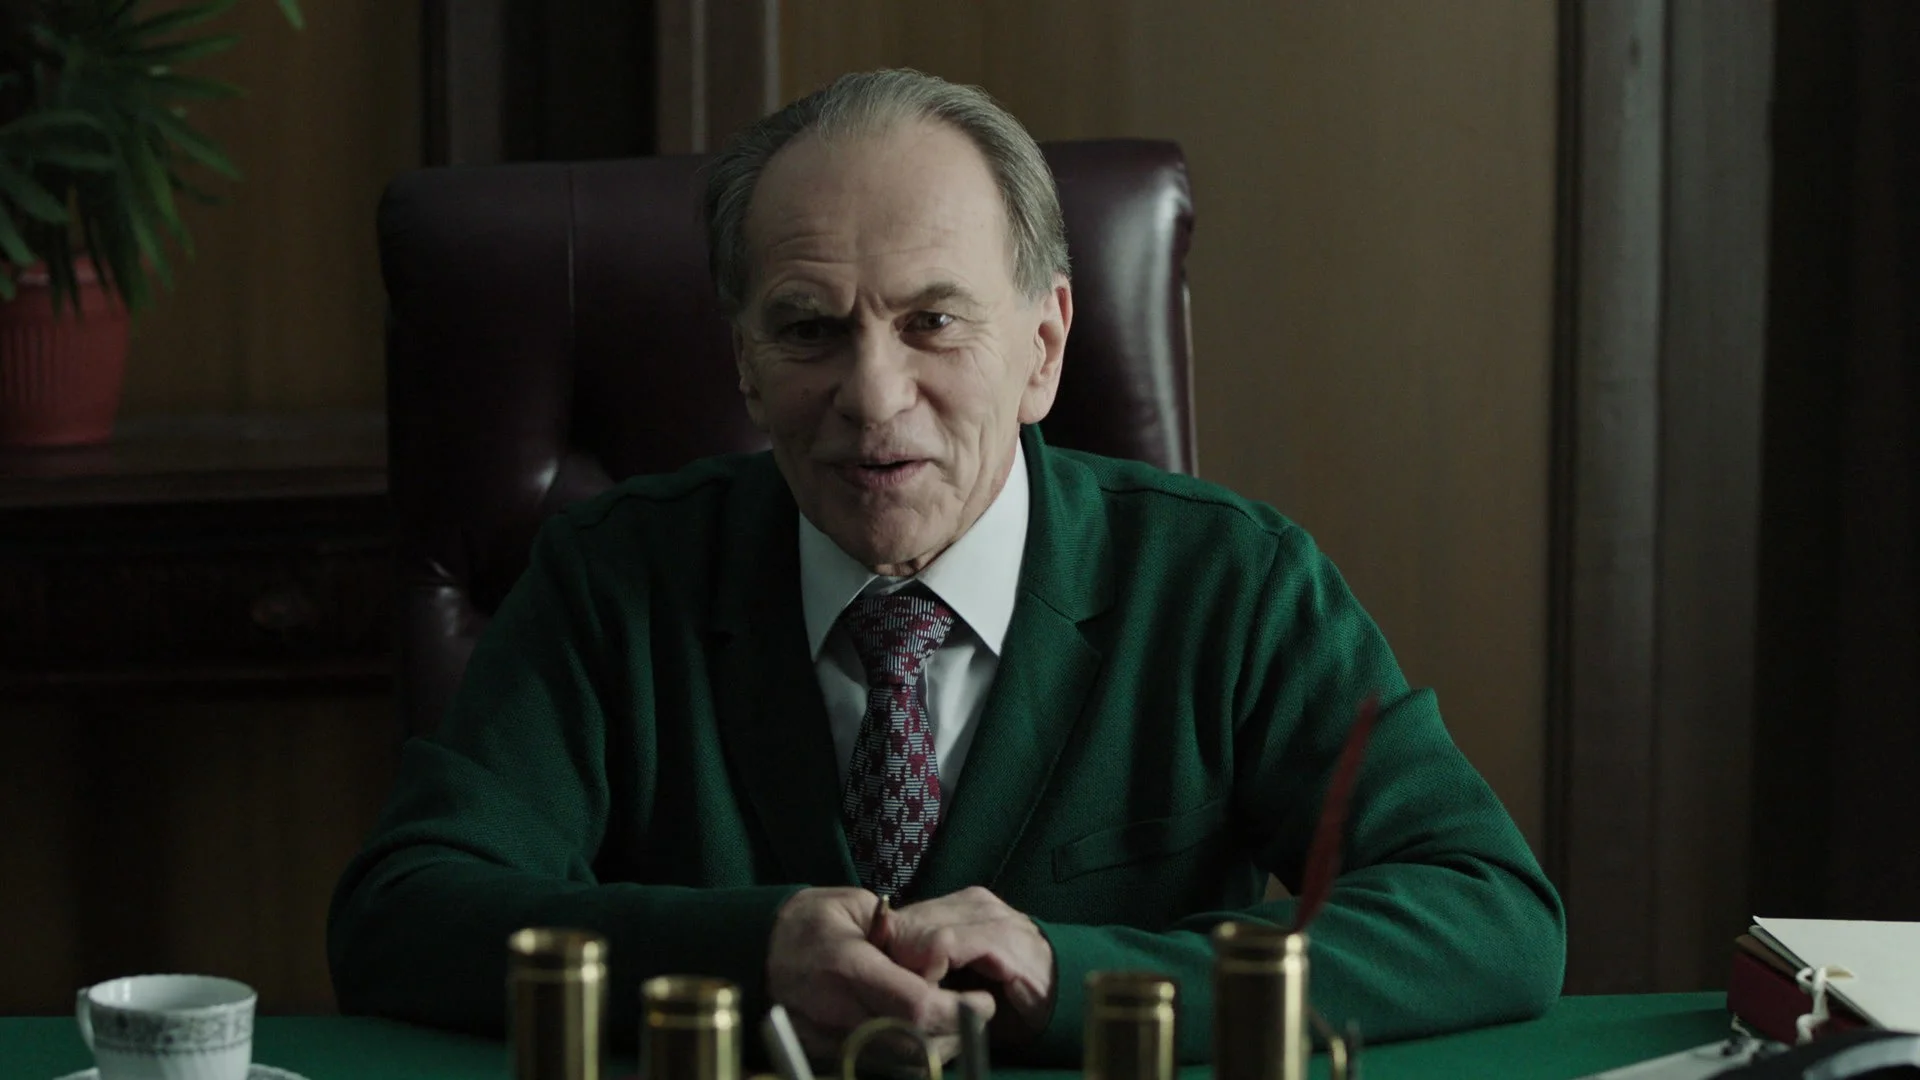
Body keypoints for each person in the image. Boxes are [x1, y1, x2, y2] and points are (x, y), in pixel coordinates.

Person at [327, 68, 1565, 1064]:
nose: (874, 398)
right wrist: (748, 952)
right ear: (745, 363)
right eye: (810, 329)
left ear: (1044, 346)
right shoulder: (615, 577)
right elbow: (403, 913)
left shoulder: (1229, 583)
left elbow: (1489, 912)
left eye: (932, 321)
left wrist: (1073, 974)